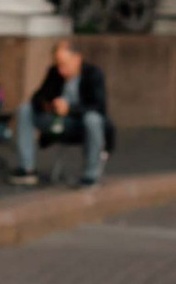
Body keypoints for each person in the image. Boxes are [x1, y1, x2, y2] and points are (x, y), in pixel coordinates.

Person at [10, 37, 114, 187]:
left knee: (93, 119)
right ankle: (26, 168)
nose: (61, 70)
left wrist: (70, 109)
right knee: (25, 109)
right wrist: (50, 105)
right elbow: (37, 98)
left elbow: (99, 107)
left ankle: (90, 175)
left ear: (76, 58)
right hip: (57, 122)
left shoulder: (93, 74)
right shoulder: (55, 73)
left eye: (64, 65)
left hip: (81, 124)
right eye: (58, 65)